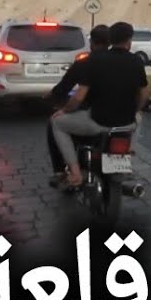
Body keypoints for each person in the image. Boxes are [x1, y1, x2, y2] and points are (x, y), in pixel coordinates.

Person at [50, 21, 148, 189]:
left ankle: (74, 172)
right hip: (126, 124)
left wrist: (65, 110)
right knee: (139, 117)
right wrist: (135, 109)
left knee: (57, 123)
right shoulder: (137, 61)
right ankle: (127, 161)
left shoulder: (94, 61)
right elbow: (144, 94)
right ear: (129, 41)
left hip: (97, 123)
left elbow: (79, 96)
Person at [46, 25, 110, 183]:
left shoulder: (85, 63)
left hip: (92, 118)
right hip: (121, 120)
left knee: (55, 123)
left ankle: (62, 171)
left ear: (92, 42)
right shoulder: (122, 62)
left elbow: (71, 92)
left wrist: (62, 107)